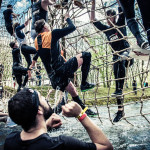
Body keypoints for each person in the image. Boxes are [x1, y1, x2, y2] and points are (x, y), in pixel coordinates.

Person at [30, 13, 96, 116]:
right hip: (61, 71)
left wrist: (33, 63)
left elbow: (42, 54)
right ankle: (84, 84)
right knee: (86, 55)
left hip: (53, 77)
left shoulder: (36, 41)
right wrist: (67, 18)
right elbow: (72, 27)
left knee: (72, 91)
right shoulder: (52, 34)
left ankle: (82, 110)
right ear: (45, 26)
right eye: (47, 24)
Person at [4, 88, 113, 150]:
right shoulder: (62, 144)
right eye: (42, 98)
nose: (46, 99)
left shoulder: (10, 141)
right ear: (39, 110)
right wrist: (80, 114)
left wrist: (45, 125)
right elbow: (107, 147)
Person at [90, 0, 133, 122]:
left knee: (120, 60)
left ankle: (119, 90)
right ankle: (120, 110)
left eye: (111, 17)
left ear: (114, 17)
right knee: (116, 80)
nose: (109, 19)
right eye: (107, 17)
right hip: (116, 56)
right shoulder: (106, 29)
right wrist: (93, 4)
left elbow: (122, 9)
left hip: (127, 53)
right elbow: (93, 20)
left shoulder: (120, 23)